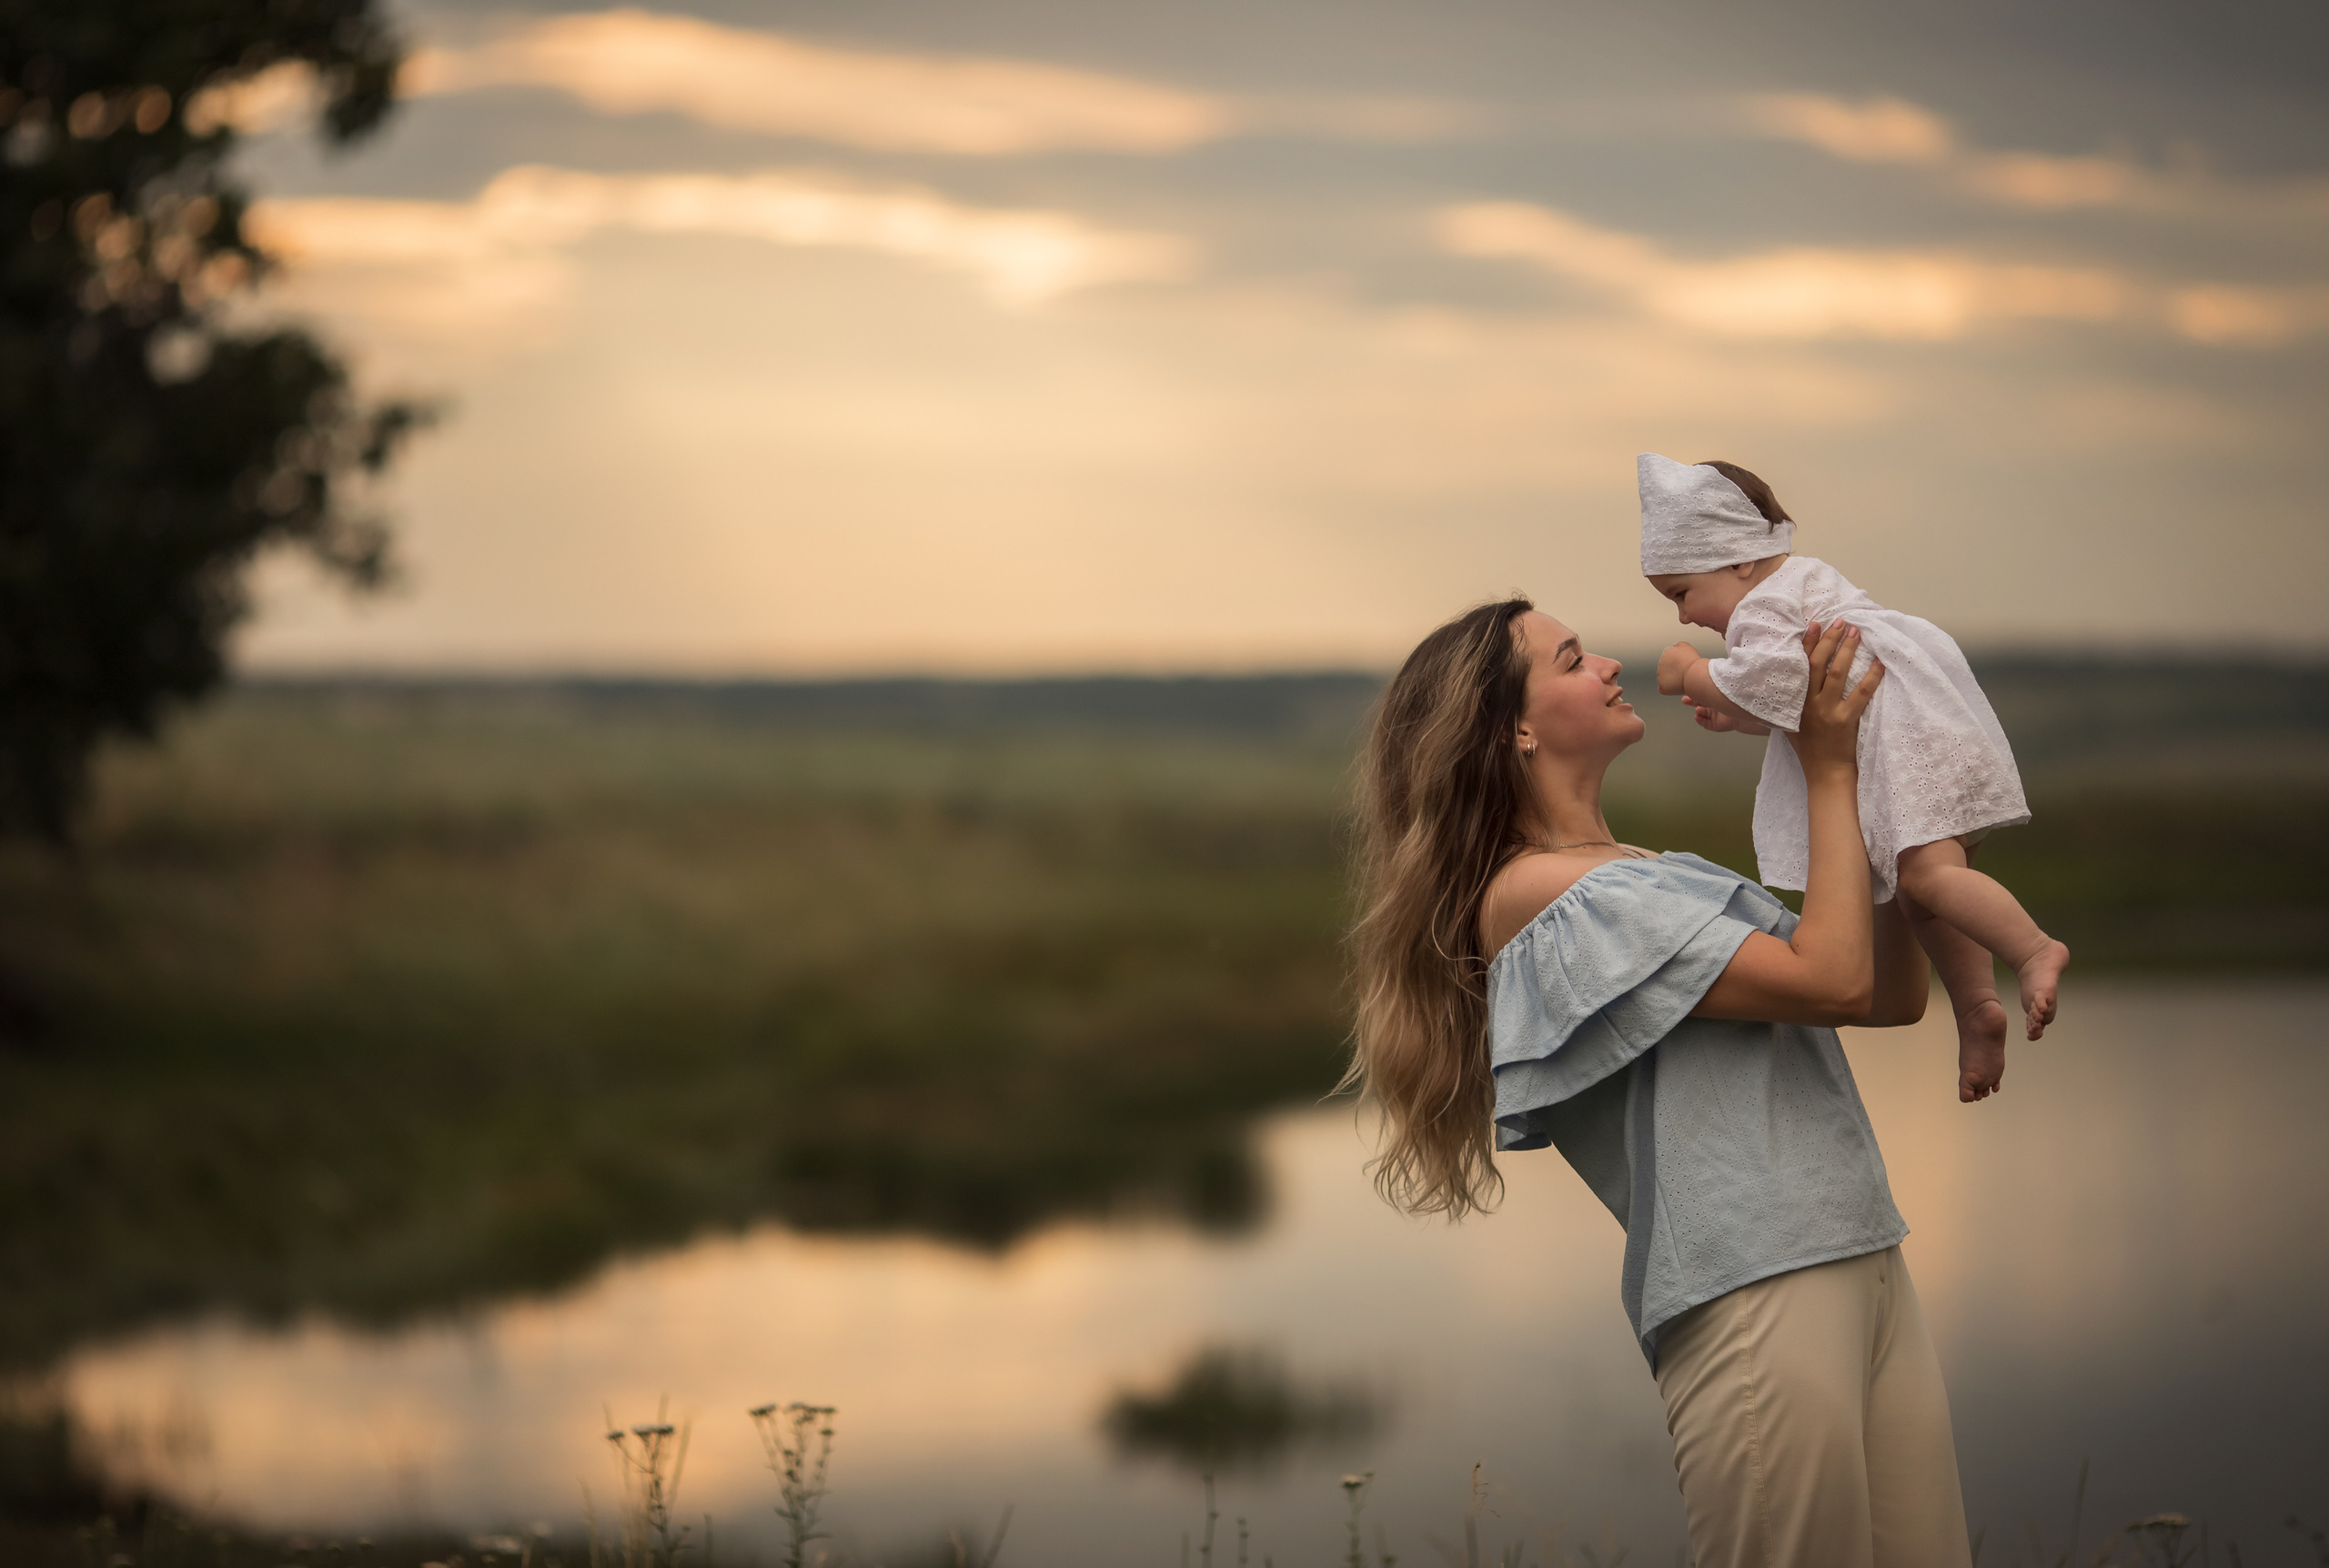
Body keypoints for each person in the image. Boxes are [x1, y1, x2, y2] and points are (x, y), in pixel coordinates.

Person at [1344, 598, 1971, 1567]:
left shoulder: (1646, 872)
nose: (1606, 664)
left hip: (1859, 1249)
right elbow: (1835, 980)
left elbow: (1890, 994)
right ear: (1512, 729)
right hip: (1754, 1283)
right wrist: (1828, 767)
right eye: (1569, 659)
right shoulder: (1543, 896)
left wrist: (1889, 797)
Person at [1639, 453, 2069, 1102]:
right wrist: (1737, 718)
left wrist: (1690, 673)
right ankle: (1977, 1006)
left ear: (1738, 561)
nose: (1683, 618)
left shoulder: (1763, 608)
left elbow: (1773, 683)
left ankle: (2033, 951)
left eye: (1681, 594)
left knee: (1928, 879)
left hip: (1909, 757)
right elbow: (1805, 703)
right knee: (1923, 892)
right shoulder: (1803, 584)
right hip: (1923, 746)